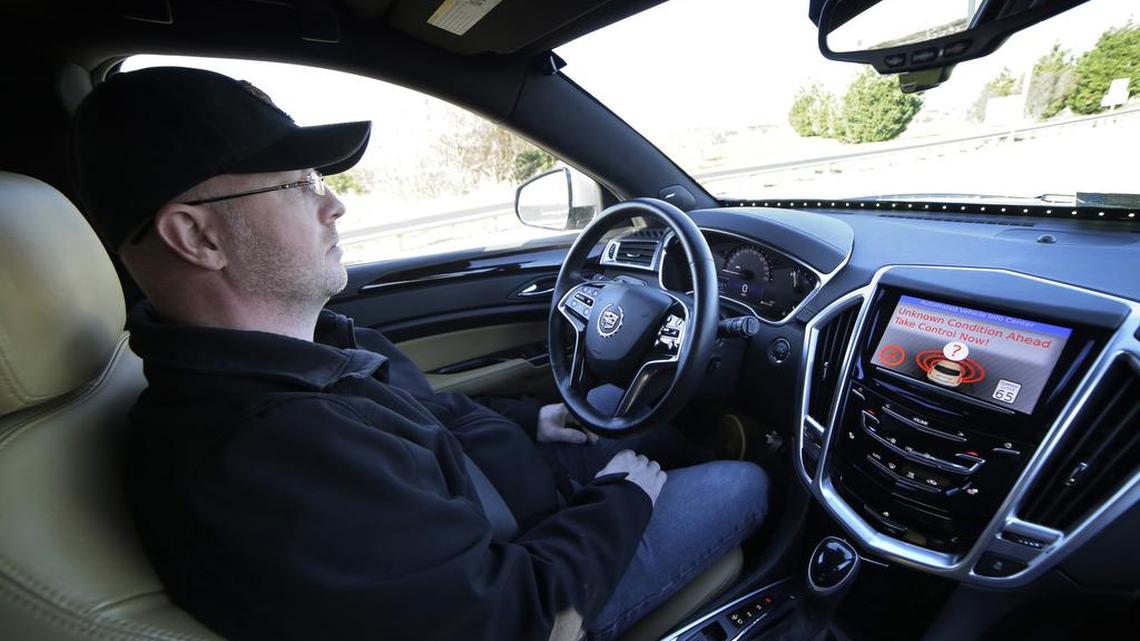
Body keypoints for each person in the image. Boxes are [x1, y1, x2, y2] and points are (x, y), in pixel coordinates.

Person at [68, 66, 769, 641]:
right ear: (198, 238)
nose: (333, 203)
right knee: (746, 481)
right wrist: (622, 499)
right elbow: (510, 620)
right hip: (546, 588)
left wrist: (533, 422)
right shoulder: (261, 458)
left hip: (515, 506)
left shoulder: (303, 350)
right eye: (299, 183)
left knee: (626, 411)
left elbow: (429, 414)